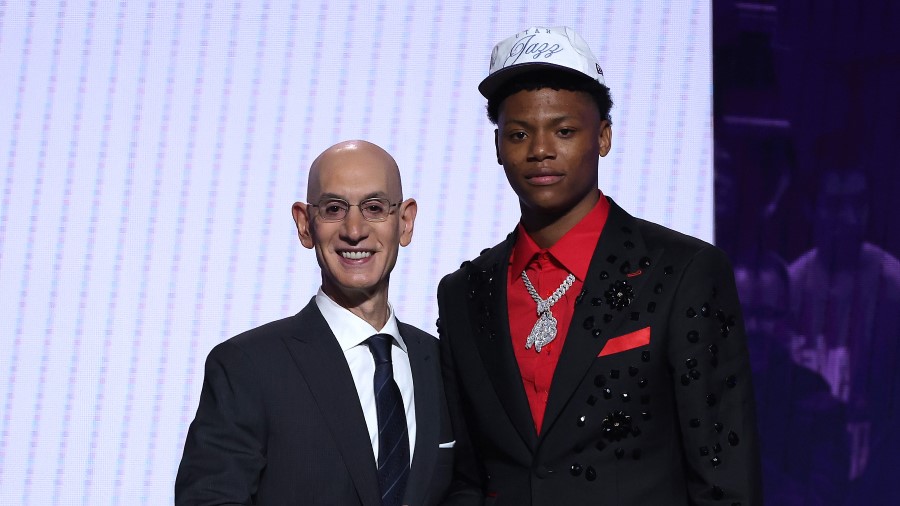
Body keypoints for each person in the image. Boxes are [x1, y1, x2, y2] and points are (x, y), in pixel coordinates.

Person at [437, 27, 761, 505]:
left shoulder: (682, 272)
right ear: (498, 145)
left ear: (603, 137)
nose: (540, 150)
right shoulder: (465, 292)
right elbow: (466, 475)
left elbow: (724, 475)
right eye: (519, 133)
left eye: (564, 130)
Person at [176, 140, 453, 505]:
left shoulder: (443, 365)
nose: (354, 230)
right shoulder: (248, 366)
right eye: (334, 208)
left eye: (374, 207)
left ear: (405, 222)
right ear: (305, 225)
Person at [787, 166, 900, 498]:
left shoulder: (893, 287)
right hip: (807, 472)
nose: (850, 218)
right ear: (812, 208)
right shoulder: (791, 287)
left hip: (880, 472)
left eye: (859, 204)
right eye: (836, 205)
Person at [735, 253, 848, 505]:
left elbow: (824, 498)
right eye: (741, 313)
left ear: (787, 320)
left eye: (766, 314)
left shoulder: (815, 400)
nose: (752, 326)